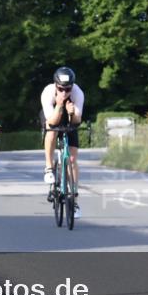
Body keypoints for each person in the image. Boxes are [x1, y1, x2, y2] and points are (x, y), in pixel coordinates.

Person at [40, 67, 84, 218]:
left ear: (72, 86)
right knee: (52, 130)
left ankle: (75, 201)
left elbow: (77, 121)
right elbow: (52, 122)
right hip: (52, 115)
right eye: (60, 89)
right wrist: (59, 105)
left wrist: (72, 114)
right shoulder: (48, 92)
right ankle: (49, 167)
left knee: (72, 160)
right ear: (55, 85)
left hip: (69, 117)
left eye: (68, 89)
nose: (64, 92)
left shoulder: (77, 93)